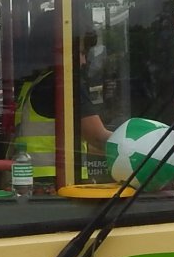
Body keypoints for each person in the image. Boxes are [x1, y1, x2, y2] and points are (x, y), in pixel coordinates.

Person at [13, 25, 111, 189]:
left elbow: (77, 141)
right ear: (59, 51)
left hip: (32, 181)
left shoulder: (35, 83)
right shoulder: (63, 82)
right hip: (56, 183)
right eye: (79, 53)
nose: (83, 61)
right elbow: (97, 137)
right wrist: (145, 148)